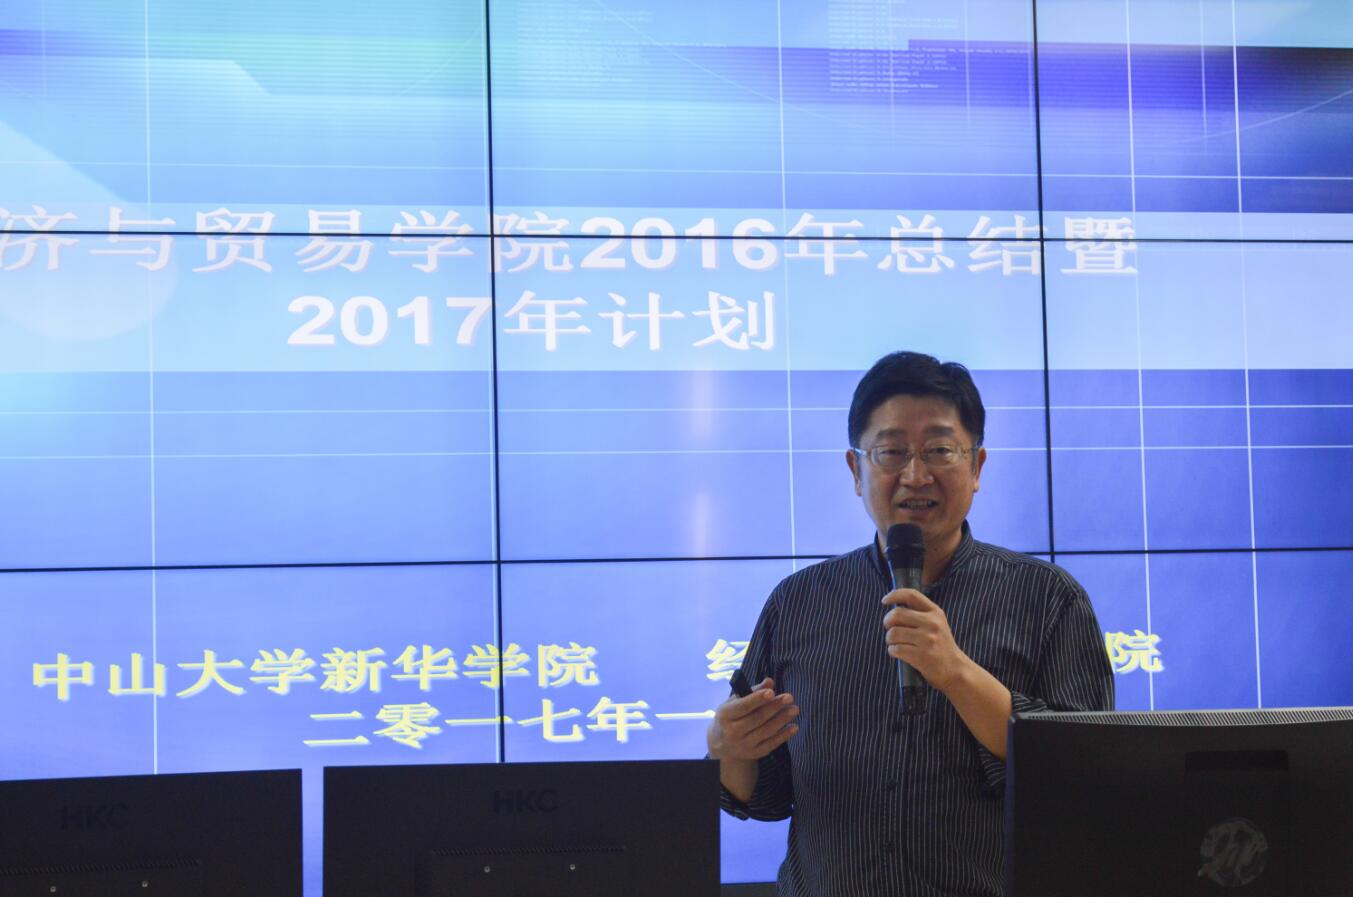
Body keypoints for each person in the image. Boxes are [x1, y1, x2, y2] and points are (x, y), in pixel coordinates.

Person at [706, 351, 1114, 897]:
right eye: (891, 452)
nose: (915, 475)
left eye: (939, 450)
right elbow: (766, 795)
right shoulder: (798, 602)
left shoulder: (1048, 599)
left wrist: (956, 673)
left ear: (977, 467)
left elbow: (1083, 776)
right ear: (856, 471)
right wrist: (729, 749)